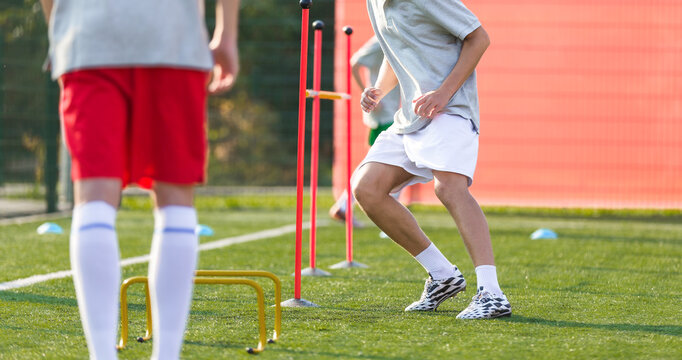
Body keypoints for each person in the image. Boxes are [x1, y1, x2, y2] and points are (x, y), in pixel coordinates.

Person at [39, 0, 240, 358]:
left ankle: (102, 354)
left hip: (89, 36)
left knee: (94, 197)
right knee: (176, 200)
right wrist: (226, 33)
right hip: (173, 38)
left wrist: (60, 29)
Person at [355, 0, 511, 319]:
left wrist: (443, 93)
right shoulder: (374, 3)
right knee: (366, 188)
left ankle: (492, 294)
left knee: (449, 189)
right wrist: (379, 90)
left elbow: (479, 37)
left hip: (450, 110)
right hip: (411, 115)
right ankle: (442, 275)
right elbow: (395, 47)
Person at [329, 36, 401, 226]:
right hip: (385, 113)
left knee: (376, 162)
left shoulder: (399, 35)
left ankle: (344, 204)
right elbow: (354, 62)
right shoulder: (381, 38)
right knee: (401, 161)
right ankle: (391, 219)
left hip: (391, 112)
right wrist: (369, 93)